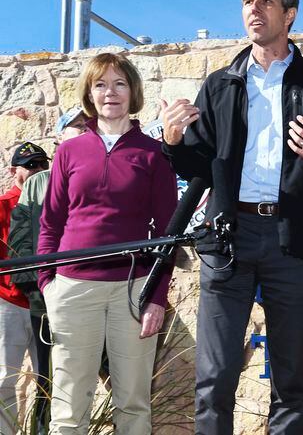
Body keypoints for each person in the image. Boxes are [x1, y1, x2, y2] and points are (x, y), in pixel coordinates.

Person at [161, 0, 303, 435]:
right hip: (227, 237)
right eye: (247, 0)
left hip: (293, 241)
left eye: (266, 1)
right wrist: (173, 141)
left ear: (289, 15)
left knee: (291, 377)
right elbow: (196, 164)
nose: (254, 9)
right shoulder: (220, 84)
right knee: (214, 377)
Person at [37, 53, 178, 434]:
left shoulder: (154, 154)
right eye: (100, 84)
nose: (110, 92)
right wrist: (48, 285)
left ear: (133, 93)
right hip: (72, 289)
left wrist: (157, 297)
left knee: (133, 403)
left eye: (119, 84)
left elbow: (168, 234)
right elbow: (50, 223)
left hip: (132, 291)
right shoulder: (69, 151)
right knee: (68, 408)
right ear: (89, 94)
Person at [7, 107, 88, 432]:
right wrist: (39, 290)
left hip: (96, 292)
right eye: (75, 128)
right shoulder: (41, 183)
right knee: (48, 378)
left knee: (115, 377)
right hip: (44, 298)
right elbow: (21, 240)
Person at [0, 142, 49, 434]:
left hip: (45, 303)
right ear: (13, 171)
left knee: (50, 378)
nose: (36, 171)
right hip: (10, 303)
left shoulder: (56, 204)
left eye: (41, 164)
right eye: (29, 165)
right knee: (5, 376)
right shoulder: (4, 206)